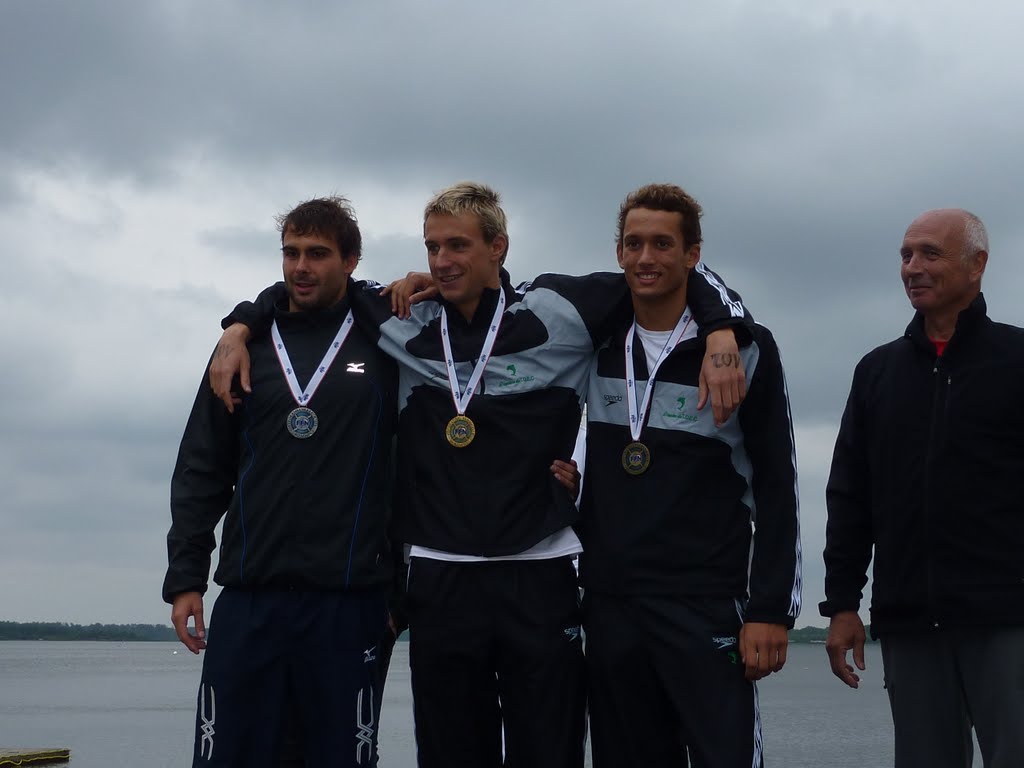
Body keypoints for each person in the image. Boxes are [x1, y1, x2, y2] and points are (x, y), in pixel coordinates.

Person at [211, 181, 751, 768]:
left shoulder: (560, 309)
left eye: (458, 246)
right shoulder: (402, 316)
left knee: (548, 754)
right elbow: (310, 281)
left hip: (540, 573)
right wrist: (238, 327)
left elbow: (664, 275)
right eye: (433, 247)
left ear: (498, 247)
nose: (442, 261)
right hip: (441, 577)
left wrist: (722, 330)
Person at [162, 197, 399, 767]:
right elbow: (202, 465)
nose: (301, 267)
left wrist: (402, 593)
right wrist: (186, 576)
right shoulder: (242, 347)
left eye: (318, 254)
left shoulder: (387, 341)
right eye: (291, 253)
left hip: (348, 601)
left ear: (351, 260)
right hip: (250, 599)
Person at [576, 184, 801, 768]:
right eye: (633, 244)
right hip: (611, 603)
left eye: (662, 243)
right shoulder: (593, 341)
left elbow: (778, 485)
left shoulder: (745, 350)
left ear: (693, 255)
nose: (645, 257)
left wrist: (770, 609)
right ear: (618, 253)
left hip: (705, 603)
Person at [821, 208, 1024, 768]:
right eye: (906, 255)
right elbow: (849, 497)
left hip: (1008, 619)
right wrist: (842, 604)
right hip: (910, 620)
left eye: (930, 253)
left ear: (977, 264)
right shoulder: (877, 372)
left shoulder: (1016, 361)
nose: (913, 267)